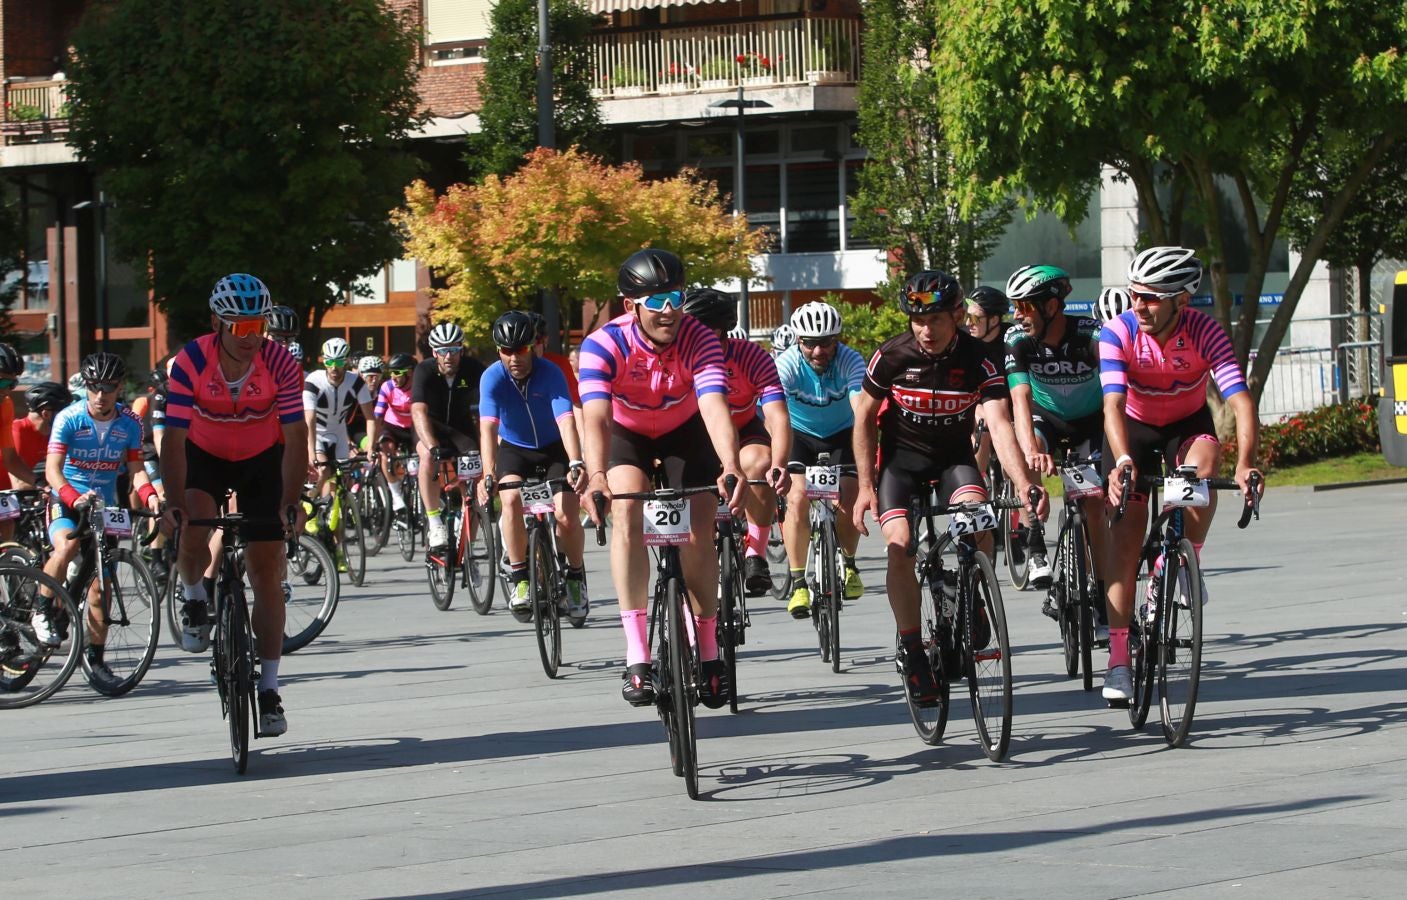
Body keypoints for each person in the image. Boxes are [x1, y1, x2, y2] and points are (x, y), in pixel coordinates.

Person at [852, 271, 1047, 707]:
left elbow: (999, 423)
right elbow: (863, 418)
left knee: (980, 521)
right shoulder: (892, 355)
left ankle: (973, 592)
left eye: (936, 319)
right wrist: (865, 486)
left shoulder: (981, 358)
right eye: (917, 319)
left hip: (954, 463)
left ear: (958, 315)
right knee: (899, 545)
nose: (926, 330)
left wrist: (1025, 483)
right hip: (900, 466)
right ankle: (912, 649)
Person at [579, 248, 744, 709]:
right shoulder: (602, 344)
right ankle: (636, 653)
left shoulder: (699, 338)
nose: (669, 310)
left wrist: (730, 465)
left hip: (685, 429)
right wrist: (596, 476)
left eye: (676, 297)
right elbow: (595, 419)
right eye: (657, 301)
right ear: (631, 306)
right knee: (628, 508)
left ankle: (708, 649)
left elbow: (714, 405)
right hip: (627, 433)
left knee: (700, 521)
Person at [1098, 246, 1261, 704]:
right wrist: (1123, 459)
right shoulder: (1118, 331)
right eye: (1134, 295)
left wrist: (1247, 462)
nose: (1138, 305)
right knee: (1126, 545)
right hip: (1131, 429)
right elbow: (1111, 405)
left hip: (1186, 427)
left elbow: (1240, 402)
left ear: (1182, 301)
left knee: (1204, 469)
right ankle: (1118, 661)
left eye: (1150, 297)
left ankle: (1184, 561)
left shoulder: (1206, 331)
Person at [161, 273, 308, 737]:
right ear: (217, 324)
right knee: (193, 529)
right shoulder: (190, 361)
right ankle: (194, 595)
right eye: (241, 328)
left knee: (267, 569)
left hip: (261, 458)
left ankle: (268, 688)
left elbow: (295, 435)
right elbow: (175, 438)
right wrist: (171, 502)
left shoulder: (280, 363)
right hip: (203, 456)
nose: (252, 338)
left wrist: (291, 500)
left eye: (259, 326)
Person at [33, 353, 161, 684]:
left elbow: (136, 471)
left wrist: (151, 497)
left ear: (119, 388)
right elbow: (52, 470)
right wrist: (73, 498)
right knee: (65, 548)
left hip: (104, 506)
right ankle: (42, 609)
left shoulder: (129, 423)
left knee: (99, 590)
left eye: (108, 388)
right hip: (68, 499)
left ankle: (96, 660)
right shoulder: (69, 418)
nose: (100, 395)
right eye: (93, 387)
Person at [1004, 263, 1107, 605]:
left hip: (1091, 422)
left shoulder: (1091, 334)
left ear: (1051, 305)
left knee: (1092, 504)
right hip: (1045, 419)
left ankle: (1099, 590)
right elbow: (1019, 400)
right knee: (1025, 453)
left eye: (1025, 306)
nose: (1018, 315)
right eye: (1015, 306)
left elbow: (1115, 389)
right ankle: (1035, 541)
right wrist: (1032, 450)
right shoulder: (1017, 340)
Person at [478, 311, 589, 622]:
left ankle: (575, 576)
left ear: (533, 346)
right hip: (516, 449)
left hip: (554, 449)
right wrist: (488, 472)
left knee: (566, 513)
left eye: (522, 349)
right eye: (507, 351)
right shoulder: (492, 378)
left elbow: (566, 421)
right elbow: (488, 427)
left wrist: (577, 461)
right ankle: (521, 579)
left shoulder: (551, 372)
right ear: (498, 351)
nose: (515, 358)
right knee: (510, 500)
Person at [681, 288, 791, 597]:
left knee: (760, 463)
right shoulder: (676, 356)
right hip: (694, 435)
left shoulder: (750, 356)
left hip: (743, 432)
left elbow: (778, 417)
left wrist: (780, 464)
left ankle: (755, 552)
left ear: (714, 330)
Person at [776, 300, 867, 617]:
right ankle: (799, 581)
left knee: (851, 495)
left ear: (837, 340)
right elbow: (774, 416)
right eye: (810, 343)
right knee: (798, 499)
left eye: (826, 342)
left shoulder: (850, 361)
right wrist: (777, 462)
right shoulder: (786, 365)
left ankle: (850, 564)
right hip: (799, 435)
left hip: (842, 433)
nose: (818, 351)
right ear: (797, 340)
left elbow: (861, 408)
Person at [411, 322, 486, 551]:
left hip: (460, 428)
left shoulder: (474, 369)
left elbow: (489, 410)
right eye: (443, 350)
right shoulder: (424, 370)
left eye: (454, 349)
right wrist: (433, 446)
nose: (449, 356)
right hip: (430, 426)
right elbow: (418, 411)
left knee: (474, 478)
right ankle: (434, 521)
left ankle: (469, 547)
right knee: (427, 456)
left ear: (461, 350)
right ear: (435, 353)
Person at [303, 337, 375, 571]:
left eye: (340, 361)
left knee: (340, 498)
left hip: (339, 434)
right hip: (319, 435)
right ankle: (311, 508)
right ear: (324, 361)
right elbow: (310, 420)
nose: (334, 367)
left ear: (346, 361)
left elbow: (371, 418)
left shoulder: (356, 383)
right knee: (323, 469)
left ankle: (339, 551)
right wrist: (310, 452)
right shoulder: (313, 380)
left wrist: (371, 447)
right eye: (330, 362)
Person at [961, 285, 1013, 479]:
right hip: (977, 402)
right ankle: (976, 486)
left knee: (1013, 438)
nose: (968, 323)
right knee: (981, 430)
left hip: (1010, 404)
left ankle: (1016, 497)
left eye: (975, 319)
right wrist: (977, 407)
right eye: (968, 316)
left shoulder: (1013, 339)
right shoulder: (963, 342)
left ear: (994, 320)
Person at [367, 351, 418, 515]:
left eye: (397, 372)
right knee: (385, 453)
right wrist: (372, 444)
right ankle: (396, 496)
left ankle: (421, 492)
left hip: (414, 427)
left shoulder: (418, 386)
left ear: (409, 372)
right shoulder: (387, 387)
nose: (393, 377)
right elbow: (377, 417)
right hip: (393, 425)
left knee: (419, 461)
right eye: (391, 372)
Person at [0, 343, 38, 491]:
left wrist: (41, 484)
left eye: (12, 384)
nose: (6, 390)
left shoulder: (5, 405)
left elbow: (10, 459)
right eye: (2, 382)